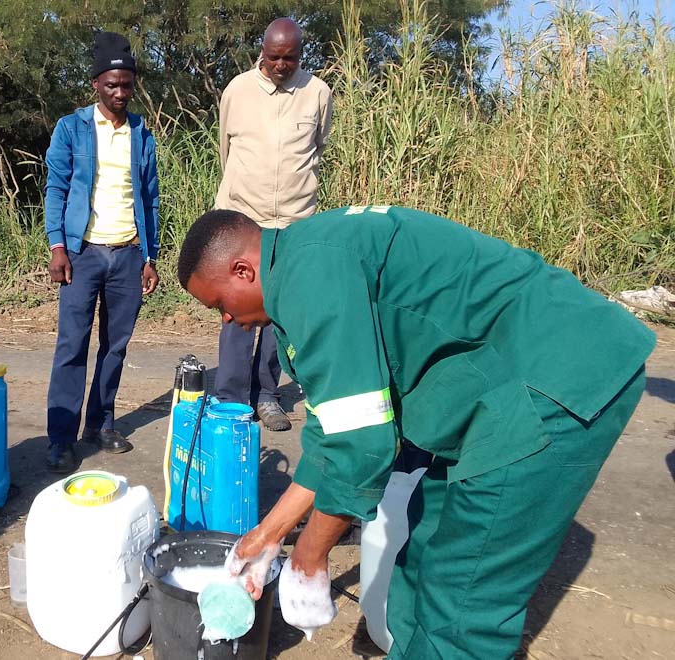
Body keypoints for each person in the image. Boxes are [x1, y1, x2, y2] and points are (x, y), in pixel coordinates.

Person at [177, 205, 656, 657]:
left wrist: (308, 555)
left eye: (219, 303)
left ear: (243, 270)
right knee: (422, 551)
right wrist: (269, 533)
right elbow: (332, 430)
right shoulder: (306, 261)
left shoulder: (310, 277)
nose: (225, 319)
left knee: (462, 599)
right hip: (498, 384)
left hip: (552, 378)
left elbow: (361, 443)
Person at [44, 31, 160, 473]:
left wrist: (150, 257)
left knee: (116, 346)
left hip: (128, 254)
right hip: (83, 253)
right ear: (96, 84)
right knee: (72, 345)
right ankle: (61, 437)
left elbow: (150, 198)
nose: (119, 92)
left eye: (126, 85)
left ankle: (101, 423)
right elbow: (55, 189)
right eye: (111, 84)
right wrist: (58, 246)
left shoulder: (140, 133)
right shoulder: (72, 128)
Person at [213, 17, 332, 431]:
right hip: (244, 223)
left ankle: (266, 395)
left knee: (278, 314)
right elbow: (225, 151)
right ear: (261, 52)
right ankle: (229, 400)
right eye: (274, 57)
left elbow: (317, 148)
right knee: (238, 313)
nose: (281, 65)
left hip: (294, 225)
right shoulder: (238, 91)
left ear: (301, 55)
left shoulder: (317, 93)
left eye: (290, 58)